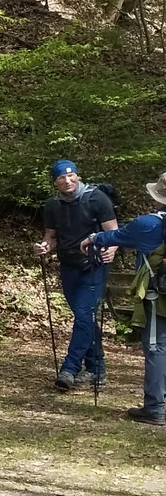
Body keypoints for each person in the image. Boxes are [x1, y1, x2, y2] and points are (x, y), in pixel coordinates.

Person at [82, 172, 166, 426]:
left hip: (159, 297)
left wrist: (93, 238)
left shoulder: (149, 224)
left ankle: (155, 407)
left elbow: (115, 236)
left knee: (157, 348)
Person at [36, 160, 118, 392]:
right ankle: (96, 369)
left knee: (84, 315)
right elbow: (50, 236)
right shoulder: (52, 205)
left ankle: (70, 369)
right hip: (68, 265)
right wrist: (44, 247)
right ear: (55, 182)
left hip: (94, 265)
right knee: (86, 318)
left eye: (71, 176)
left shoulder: (97, 198)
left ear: (78, 177)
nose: (67, 180)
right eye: (61, 177)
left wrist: (111, 249)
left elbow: (113, 232)